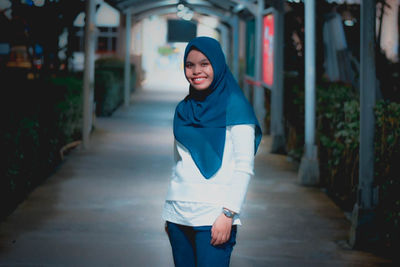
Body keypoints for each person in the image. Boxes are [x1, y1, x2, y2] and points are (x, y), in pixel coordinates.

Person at [162, 36, 262, 267]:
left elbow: (244, 167)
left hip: (214, 216)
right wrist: (170, 213)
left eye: (204, 64)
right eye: (190, 65)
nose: (196, 71)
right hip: (177, 214)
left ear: (217, 64)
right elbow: (178, 164)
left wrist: (228, 214)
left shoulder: (236, 107)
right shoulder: (184, 108)